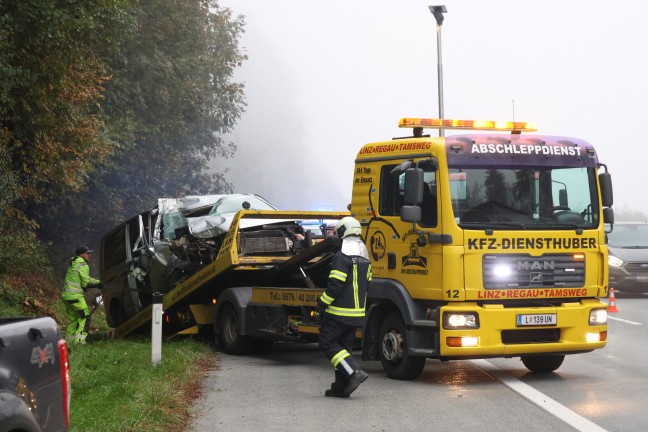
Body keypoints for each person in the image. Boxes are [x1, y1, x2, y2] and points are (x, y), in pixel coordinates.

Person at [316, 216, 372, 398]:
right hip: (357, 314)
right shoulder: (365, 258)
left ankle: (354, 373)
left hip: (339, 312)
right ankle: (340, 387)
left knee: (327, 342)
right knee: (343, 349)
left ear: (343, 233)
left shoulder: (341, 257)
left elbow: (335, 286)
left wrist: (321, 305)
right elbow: (368, 283)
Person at [62, 246, 103, 344]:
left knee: (74, 319)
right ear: (82, 255)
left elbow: (86, 278)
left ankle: (70, 342)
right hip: (75, 296)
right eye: (87, 253)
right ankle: (79, 341)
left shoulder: (74, 263)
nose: (90, 255)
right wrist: (98, 285)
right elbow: (85, 283)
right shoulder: (83, 264)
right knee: (85, 317)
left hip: (66, 296)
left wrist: (98, 282)